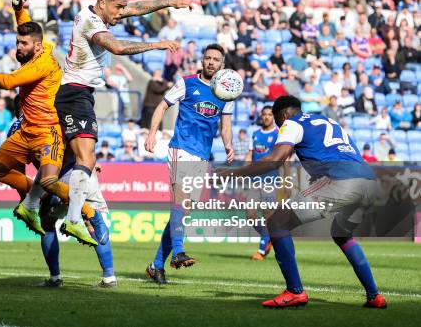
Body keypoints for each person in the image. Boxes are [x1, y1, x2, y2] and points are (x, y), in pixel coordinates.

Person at [0, 0, 103, 246]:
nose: (18, 47)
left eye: (23, 44)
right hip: (26, 131)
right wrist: (18, 8)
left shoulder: (41, 64)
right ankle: (30, 201)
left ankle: (88, 214)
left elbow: (8, 81)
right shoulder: (40, 46)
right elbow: (27, 28)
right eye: (17, 42)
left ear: (36, 46)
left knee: (48, 180)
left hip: (48, 131)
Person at [54, 0, 190, 245]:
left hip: (80, 93)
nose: (121, 13)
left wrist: (170, 1)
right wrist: (158, 44)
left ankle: (46, 205)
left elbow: (138, 7)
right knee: (87, 157)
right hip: (74, 92)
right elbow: (116, 47)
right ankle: (72, 219)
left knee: (74, 161)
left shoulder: (100, 13)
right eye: (117, 8)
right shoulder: (91, 22)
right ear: (102, 3)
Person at [224, 95, 387, 309]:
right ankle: (374, 295)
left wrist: (234, 173)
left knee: (277, 222)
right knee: (342, 234)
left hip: (341, 180)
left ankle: (294, 291)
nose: (279, 128)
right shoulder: (328, 120)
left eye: (277, 121)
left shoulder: (291, 123)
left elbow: (276, 159)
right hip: (368, 181)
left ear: (281, 115)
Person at [144, 44, 234, 284]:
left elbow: (225, 126)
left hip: (202, 157)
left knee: (182, 213)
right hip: (181, 148)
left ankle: (155, 266)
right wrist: (152, 134)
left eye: (216, 59)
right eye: (208, 58)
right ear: (202, 61)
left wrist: (228, 145)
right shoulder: (187, 83)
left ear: (222, 64)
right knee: (180, 201)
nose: (211, 62)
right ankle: (179, 252)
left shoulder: (227, 92)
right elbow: (162, 106)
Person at [245, 106, 280, 260]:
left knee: (267, 214)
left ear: (273, 117)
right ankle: (268, 236)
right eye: (264, 114)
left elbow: (285, 155)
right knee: (250, 213)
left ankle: (261, 249)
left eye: (269, 115)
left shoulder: (278, 134)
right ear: (261, 116)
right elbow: (250, 155)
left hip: (270, 179)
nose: (266, 117)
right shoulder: (255, 134)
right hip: (254, 179)